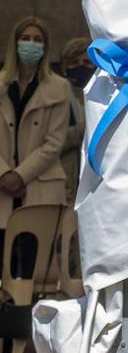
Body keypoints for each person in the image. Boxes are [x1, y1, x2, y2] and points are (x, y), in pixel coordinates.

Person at [0, 17, 74, 290]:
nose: (31, 45)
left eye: (37, 40)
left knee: (36, 271)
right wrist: (4, 174)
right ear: (14, 43)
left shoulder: (59, 87)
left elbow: (55, 142)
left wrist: (19, 176)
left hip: (38, 187)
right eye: (26, 38)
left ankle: (30, 329)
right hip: (2, 189)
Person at [54, 37, 91, 205]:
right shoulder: (55, 96)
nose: (81, 66)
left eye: (87, 62)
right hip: (64, 186)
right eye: (74, 62)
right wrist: (79, 132)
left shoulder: (106, 97)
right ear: (64, 67)